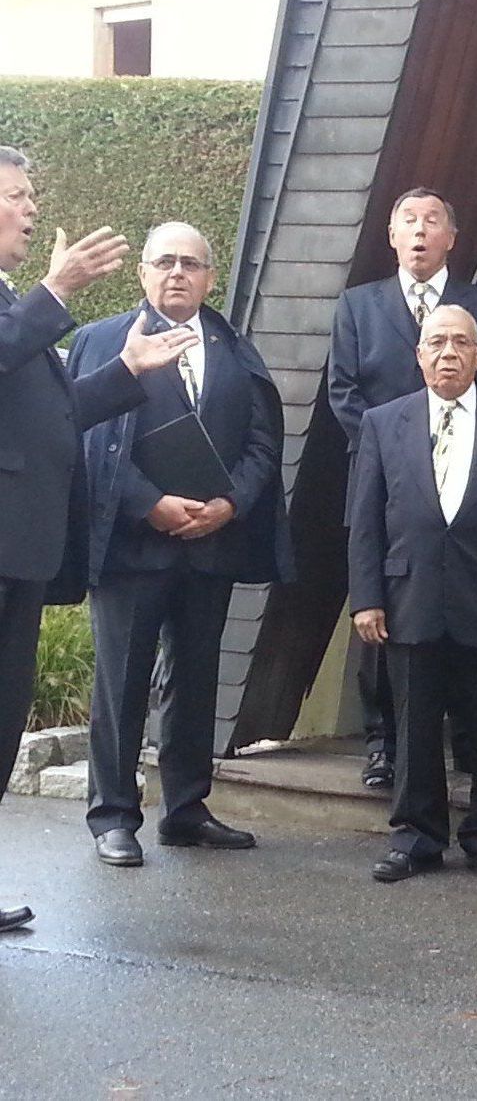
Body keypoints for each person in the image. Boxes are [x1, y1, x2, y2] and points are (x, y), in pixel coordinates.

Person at [0, 145, 196, 931]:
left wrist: (125, 372)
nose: (32, 208)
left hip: (21, 551)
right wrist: (57, 290)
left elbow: (53, 411)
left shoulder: (12, 301)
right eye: (16, 194)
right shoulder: (25, 306)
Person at [68, 222, 292, 867]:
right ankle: (112, 816)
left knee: (196, 681)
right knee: (122, 683)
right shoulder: (103, 341)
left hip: (210, 545)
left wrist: (230, 504)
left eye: (190, 264)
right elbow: (88, 441)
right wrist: (150, 505)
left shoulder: (233, 347)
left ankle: (187, 809)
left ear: (210, 278)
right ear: (142, 272)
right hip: (131, 546)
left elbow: (260, 443)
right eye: (164, 262)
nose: (177, 274)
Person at [347, 305, 477, 883]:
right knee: (412, 726)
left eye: (461, 343)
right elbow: (366, 521)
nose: (448, 354)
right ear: (418, 354)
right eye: (436, 343)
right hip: (409, 595)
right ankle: (416, 836)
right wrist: (366, 596)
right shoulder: (384, 423)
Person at [327, 187, 477, 788]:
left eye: (431, 220)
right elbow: (343, 393)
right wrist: (400, 445)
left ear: (451, 238)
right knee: (381, 618)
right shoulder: (359, 306)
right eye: (407, 220)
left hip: (471, 489)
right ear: (391, 236)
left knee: (471, 621)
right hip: (385, 487)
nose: (418, 231)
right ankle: (384, 743)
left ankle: (469, 742)